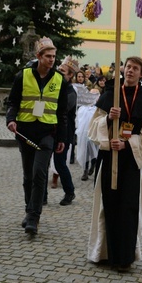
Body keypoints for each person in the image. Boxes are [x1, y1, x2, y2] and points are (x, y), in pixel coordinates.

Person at [87, 57, 142, 271]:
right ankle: (105, 253)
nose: (130, 71)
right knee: (107, 206)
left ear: (141, 73)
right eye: (128, 67)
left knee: (127, 208)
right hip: (109, 156)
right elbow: (92, 129)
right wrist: (108, 120)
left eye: (135, 68)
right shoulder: (111, 93)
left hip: (131, 161)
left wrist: (128, 144)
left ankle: (124, 258)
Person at [6, 38, 69, 235]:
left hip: (47, 133)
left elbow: (62, 113)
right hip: (25, 131)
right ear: (38, 57)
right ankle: (28, 209)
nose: (52, 60)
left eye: (53, 56)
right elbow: (13, 102)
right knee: (28, 175)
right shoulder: (22, 76)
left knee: (40, 172)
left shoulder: (59, 79)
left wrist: (62, 139)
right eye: (48, 56)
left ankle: (34, 216)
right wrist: (10, 119)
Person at [50, 56, 79, 206]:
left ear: (69, 76)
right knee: (41, 164)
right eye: (59, 69)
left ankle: (69, 192)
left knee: (60, 163)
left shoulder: (71, 93)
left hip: (64, 133)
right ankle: (41, 196)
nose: (59, 72)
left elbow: (59, 109)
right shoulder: (53, 85)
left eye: (63, 71)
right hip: (49, 130)